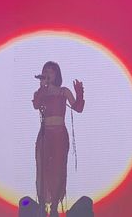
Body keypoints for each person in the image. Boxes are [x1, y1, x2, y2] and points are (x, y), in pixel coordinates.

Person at [32, 61, 85, 217]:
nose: (48, 73)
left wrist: (79, 93)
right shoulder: (41, 92)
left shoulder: (63, 91)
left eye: (52, 71)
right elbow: (36, 105)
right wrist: (43, 87)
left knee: (58, 170)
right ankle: (42, 206)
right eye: (45, 71)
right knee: (42, 169)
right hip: (44, 135)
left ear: (57, 74)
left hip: (60, 136)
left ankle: (54, 206)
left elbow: (78, 108)